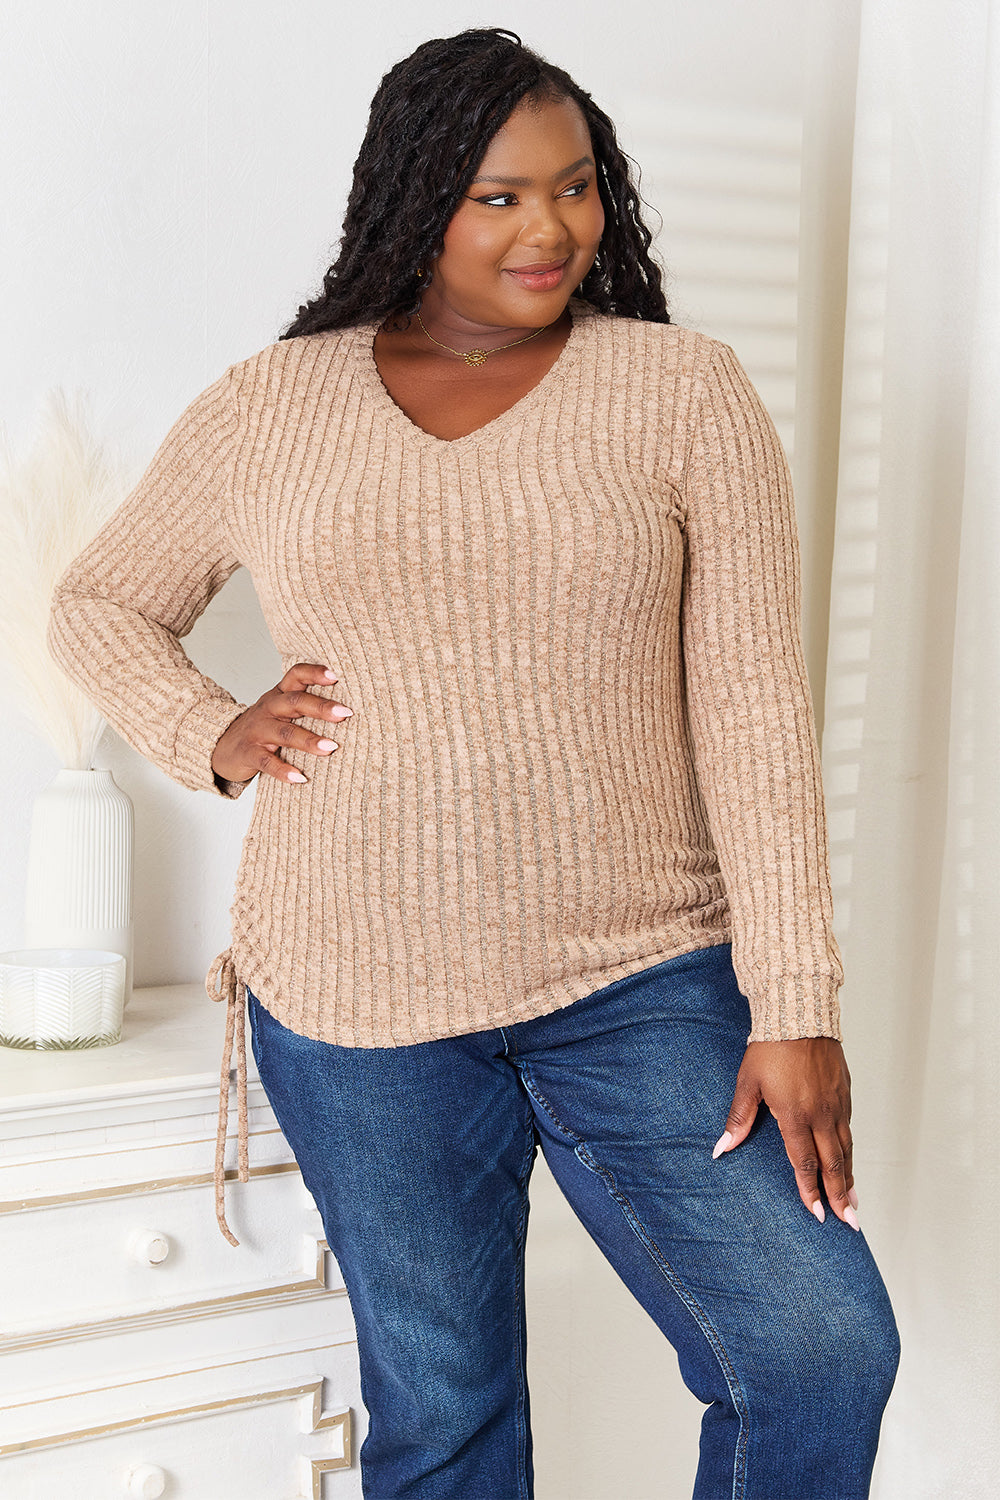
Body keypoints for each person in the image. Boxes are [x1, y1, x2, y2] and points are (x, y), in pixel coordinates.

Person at [47, 26, 899, 1500]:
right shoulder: (275, 404)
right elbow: (97, 599)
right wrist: (212, 730)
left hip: (645, 978)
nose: (550, 228)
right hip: (353, 994)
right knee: (443, 1421)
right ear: (415, 197)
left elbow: (754, 712)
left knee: (818, 1348)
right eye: (498, 196)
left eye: (573, 188)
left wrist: (795, 1001)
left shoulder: (680, 391)